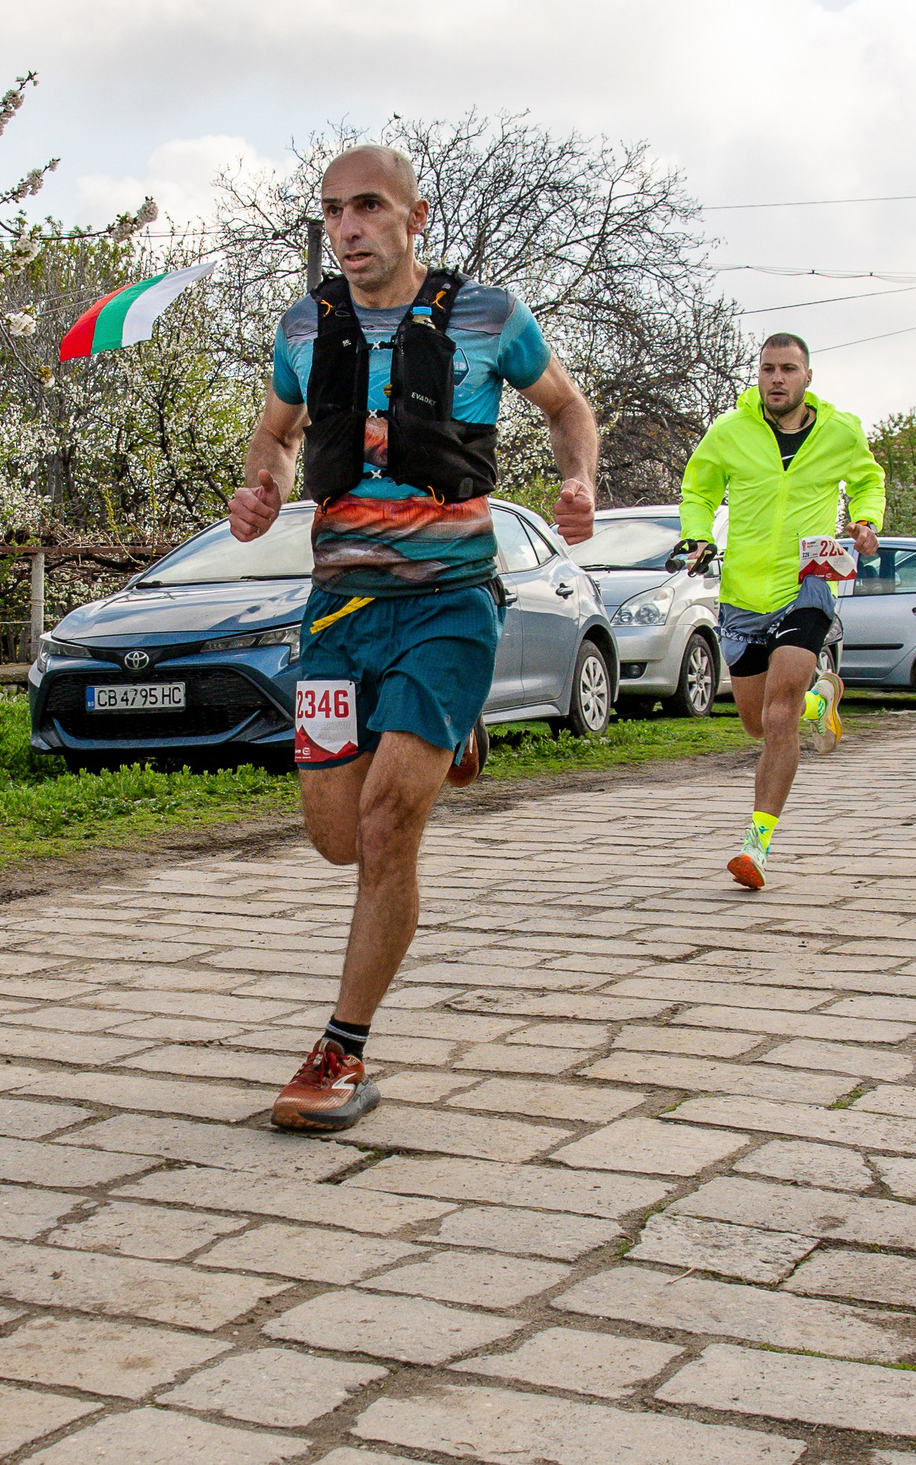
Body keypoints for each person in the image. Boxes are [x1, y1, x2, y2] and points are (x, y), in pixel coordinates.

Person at [234, 145, 600, 1134]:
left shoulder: (488, 316)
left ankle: (339, 1050)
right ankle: (454, 733)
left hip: (449, 603)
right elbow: (276, 433)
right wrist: (262, 483)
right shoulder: (305, 327)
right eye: (332, 212)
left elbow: (566, 406)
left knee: (387, 827)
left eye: (367, 207)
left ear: (414, 215)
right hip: (338, 612)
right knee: (334, 837)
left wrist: (577, 478)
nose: (348, 228)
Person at [680, 333, 884, 888]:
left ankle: (756, 846)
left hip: (808, 581)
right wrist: (697, 536)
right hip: (744, 591)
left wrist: (866, 521)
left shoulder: (840, 430)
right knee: (756, 723)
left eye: (788, 369)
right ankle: (822, 699)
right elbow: (698, 492)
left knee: (778, 716)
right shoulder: (730, 431)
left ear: (807, 377)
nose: (777, 379)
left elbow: (868, 480)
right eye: (768, 369)